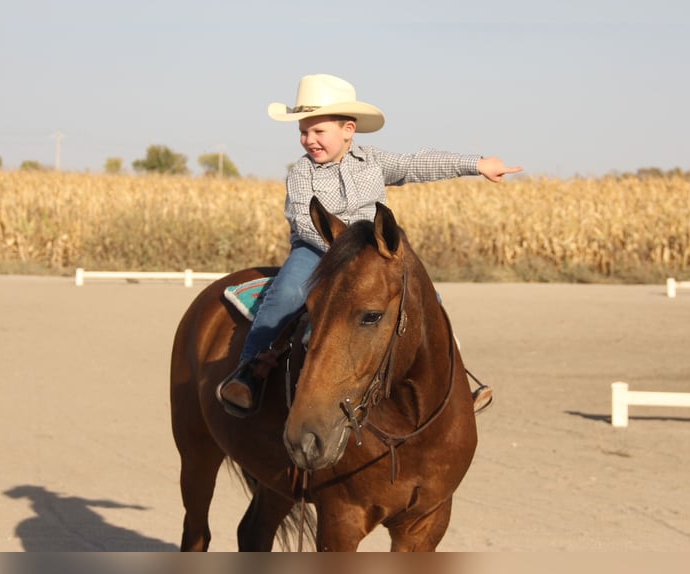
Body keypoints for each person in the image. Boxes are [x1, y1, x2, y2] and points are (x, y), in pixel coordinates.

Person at [218, 73, 522, 417]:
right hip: (317, 251)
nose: (308, 140)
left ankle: (455, 379)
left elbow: (417, 164)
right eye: (303, 132)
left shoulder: (374, 162)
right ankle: (251, 371)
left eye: (318, 132)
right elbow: (304, 220)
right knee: (288, 293)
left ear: (348, 129)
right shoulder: (302, 174)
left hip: (377, 253)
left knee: (428, 300)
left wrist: (477, 164)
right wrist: (345, 250)